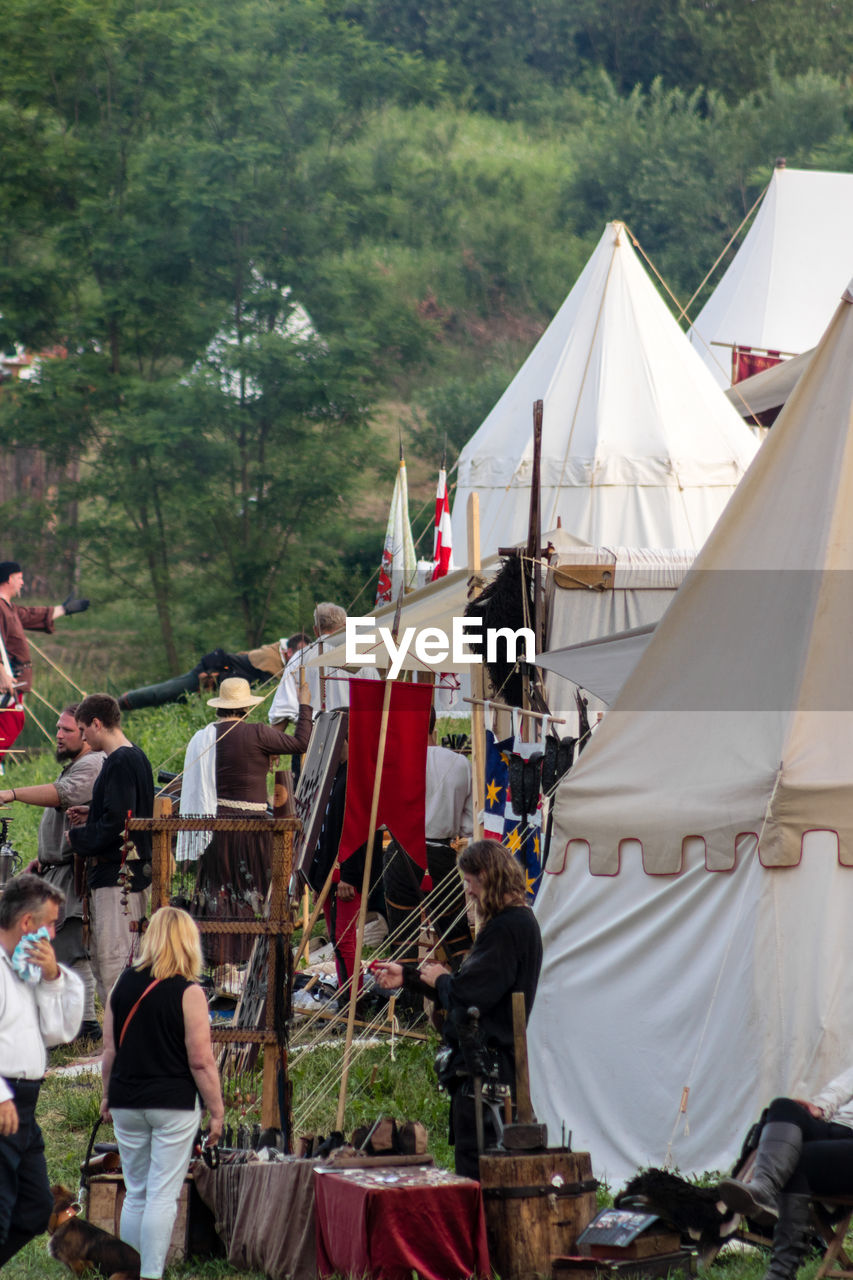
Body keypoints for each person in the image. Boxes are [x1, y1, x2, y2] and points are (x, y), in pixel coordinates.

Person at [374, 839, 542, 1178]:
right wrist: (408, 976)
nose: (468, 892)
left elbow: (469, 996)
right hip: (484, 1072)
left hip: (490, 1073)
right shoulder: (506, 924)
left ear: (487, 877)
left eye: (469, 882)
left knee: (480, 1175)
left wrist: (440, 981)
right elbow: (465, 985)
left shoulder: (509, 927)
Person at [100, 905, 224, 1280]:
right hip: (173, 1104)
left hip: (126, 1100)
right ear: (189, 943)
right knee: (161, 1195)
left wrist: (107, 1095)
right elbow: (201, 1060)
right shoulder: (189, 992)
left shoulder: (121, 985)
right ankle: (151, 1274)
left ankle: (129, 1273)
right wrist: (217, 1110)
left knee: (136, 1191)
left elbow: (109, 1051)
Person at [177, 674, 312, 965]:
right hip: (251, 830)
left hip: (216, 828)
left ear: (220, 707)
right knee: (252, 894)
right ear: (246, 708)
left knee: (218, 892)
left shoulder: (206, 736)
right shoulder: (258, 733)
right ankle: (249, 963)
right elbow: (302, 742)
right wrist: (305, 706)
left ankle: (216, 962)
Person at [0, 704, 104, 1041]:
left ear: (87, 734)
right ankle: (76, 1024)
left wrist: (12, 794)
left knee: (74, 948)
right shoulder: (78, 763)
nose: (58, 735)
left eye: (67, 730)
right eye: (58, 729)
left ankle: (85, 1025)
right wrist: (42, 861)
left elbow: (63, 795)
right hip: (56, 869)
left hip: (75, 873)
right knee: (66, 947)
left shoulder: (91, 764)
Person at [0, 873, 84, 1266]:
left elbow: (59, 1031)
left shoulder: (26, 968)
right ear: (27, 924)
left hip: (27, 1103)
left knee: (35, 1207)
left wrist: (52, 978)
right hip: (5, 1098)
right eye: (49, 923)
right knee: (0, 1210)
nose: (53, 932)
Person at [717, 1073, 853, 1280]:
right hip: (836, 1128)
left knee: (794, 1157)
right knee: (783, 1107)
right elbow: (842, 1087)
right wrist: (821, 1107)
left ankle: (781, 1272)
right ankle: (763, 1189)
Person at [66, 694, 154, 1004]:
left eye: (83, 729)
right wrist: (93, 814)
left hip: (119, 878)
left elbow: (121, 824)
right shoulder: (134, 756)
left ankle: (123, 1044)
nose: (84, 737)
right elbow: (127, 811)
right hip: (124, 873)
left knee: (116, 963)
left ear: (96, 723)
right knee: (114, 961)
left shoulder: (119, 761)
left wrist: (78, 839)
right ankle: (118, 1044)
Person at [382, 705, 473, 986]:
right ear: (434, 728)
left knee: (404, 934)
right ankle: (465, 994)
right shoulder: (459, 763)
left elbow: (383, 815)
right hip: (440, 855)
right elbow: (468, 825)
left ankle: (409, 1006)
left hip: (401, 854)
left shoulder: (394, 761)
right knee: (455, 933)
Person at [118, 633, 310, 712]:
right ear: (289, 651)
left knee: (172, 704)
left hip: (219, 696)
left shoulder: (284, 667)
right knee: (161, 693)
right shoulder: (270, 656)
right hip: (207, 677)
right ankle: (116, 705)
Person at [269, 602, 379, 725]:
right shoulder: (363, 658)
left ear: (316, 630)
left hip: (311, 737)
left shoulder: (299, 658)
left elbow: (281, 712)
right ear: (347, 626)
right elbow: (376, 706)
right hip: (353, 734)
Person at [0, 561, 89, 697]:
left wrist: (65, 609)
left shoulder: (9, 608)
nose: (22, 583)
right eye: (19, 578)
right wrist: (2, 675)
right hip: (6, 684)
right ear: (9, 579)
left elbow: (33, 615)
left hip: (14, 683)